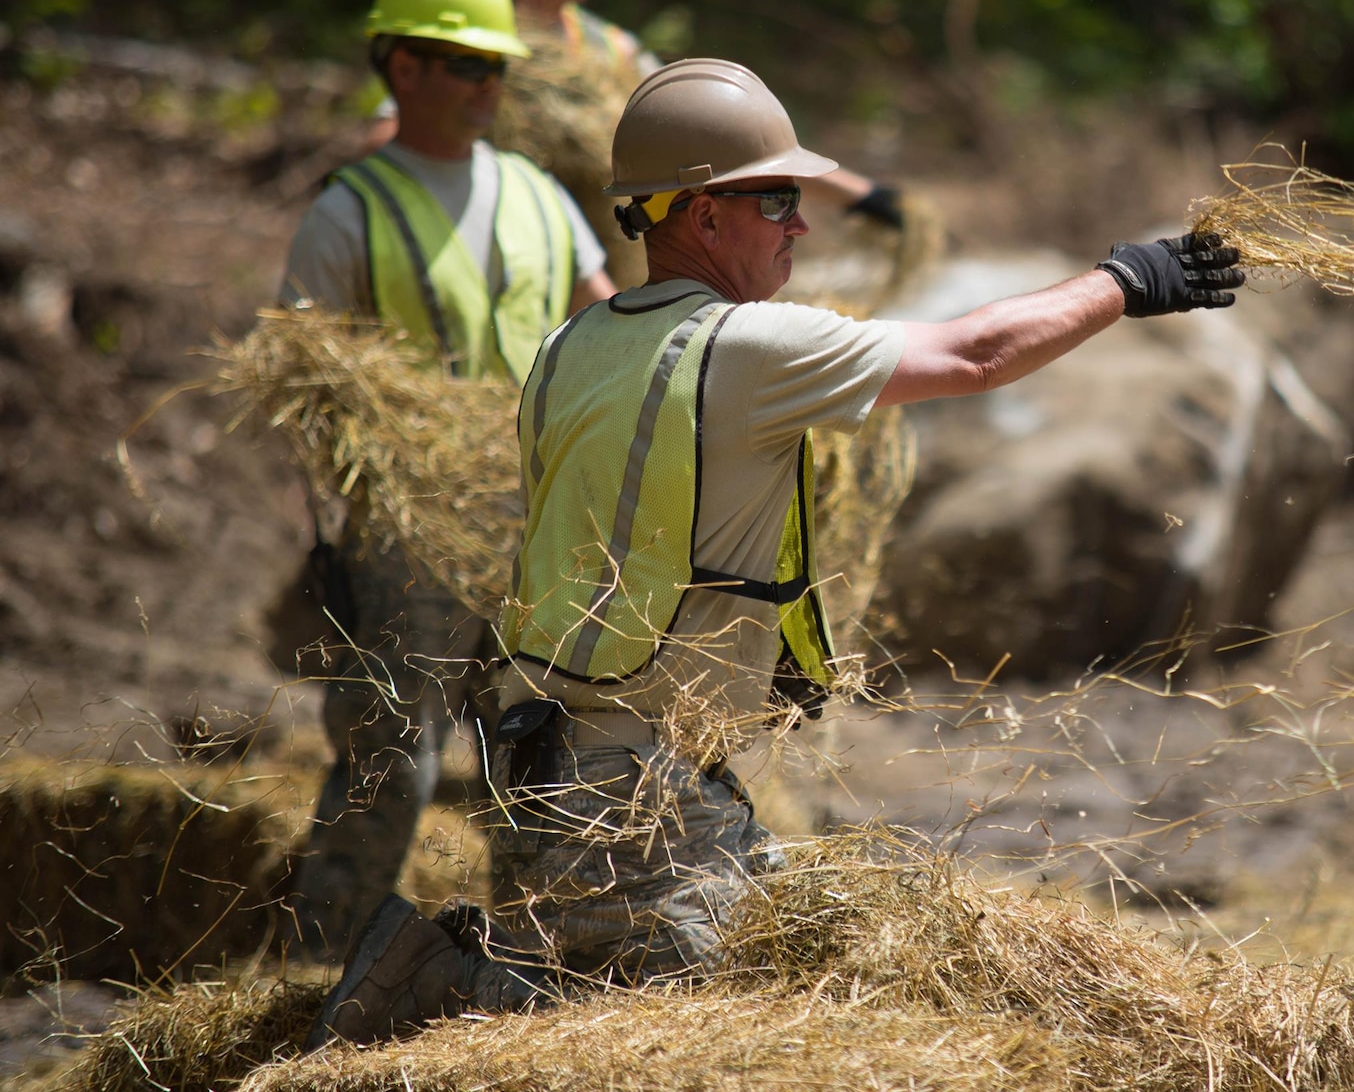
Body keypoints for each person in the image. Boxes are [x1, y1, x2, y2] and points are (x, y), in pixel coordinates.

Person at [307, 58, 1242, 1046]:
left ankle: (459, 983)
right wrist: (1127, 280)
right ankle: (426, 990)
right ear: (704, 216)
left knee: (700, 987)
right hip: (626, 794)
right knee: (674, 1032)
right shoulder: (743, 348)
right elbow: (977, 355)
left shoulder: (568, 346)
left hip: (554, 763)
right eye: (778, 200)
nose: (801, 224)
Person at [280, 0, 619, 961]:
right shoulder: (349, 212)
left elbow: (603, 325)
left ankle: (530, 970)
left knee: (536, 760)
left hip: (536, 526)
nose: (485, 85)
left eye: (495, 67)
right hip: (408, 541)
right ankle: (322, 975)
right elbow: (309, 390)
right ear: (401, 65)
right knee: (394, 765)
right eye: (462, 64)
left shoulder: (537, 196)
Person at [370, 0, 899, 289]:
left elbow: (732, 140)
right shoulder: (461, 41)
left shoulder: (608, 50)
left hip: (596, 291)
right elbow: (393, 141)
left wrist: (865, 196)